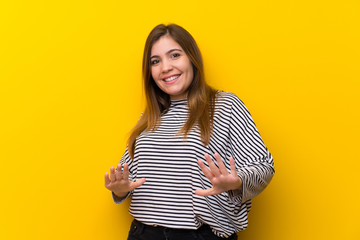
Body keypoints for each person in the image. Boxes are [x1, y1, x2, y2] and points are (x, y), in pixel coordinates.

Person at [104, 24, 274, 240]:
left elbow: (263, 166)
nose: (165, 67)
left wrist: (236, 181)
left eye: (174, 55)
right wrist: (119, 189)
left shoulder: (225, 106)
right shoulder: (149, 118)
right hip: (143, 233)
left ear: (192, 58)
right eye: (155, 61)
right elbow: (128, 180)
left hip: (199, 235)